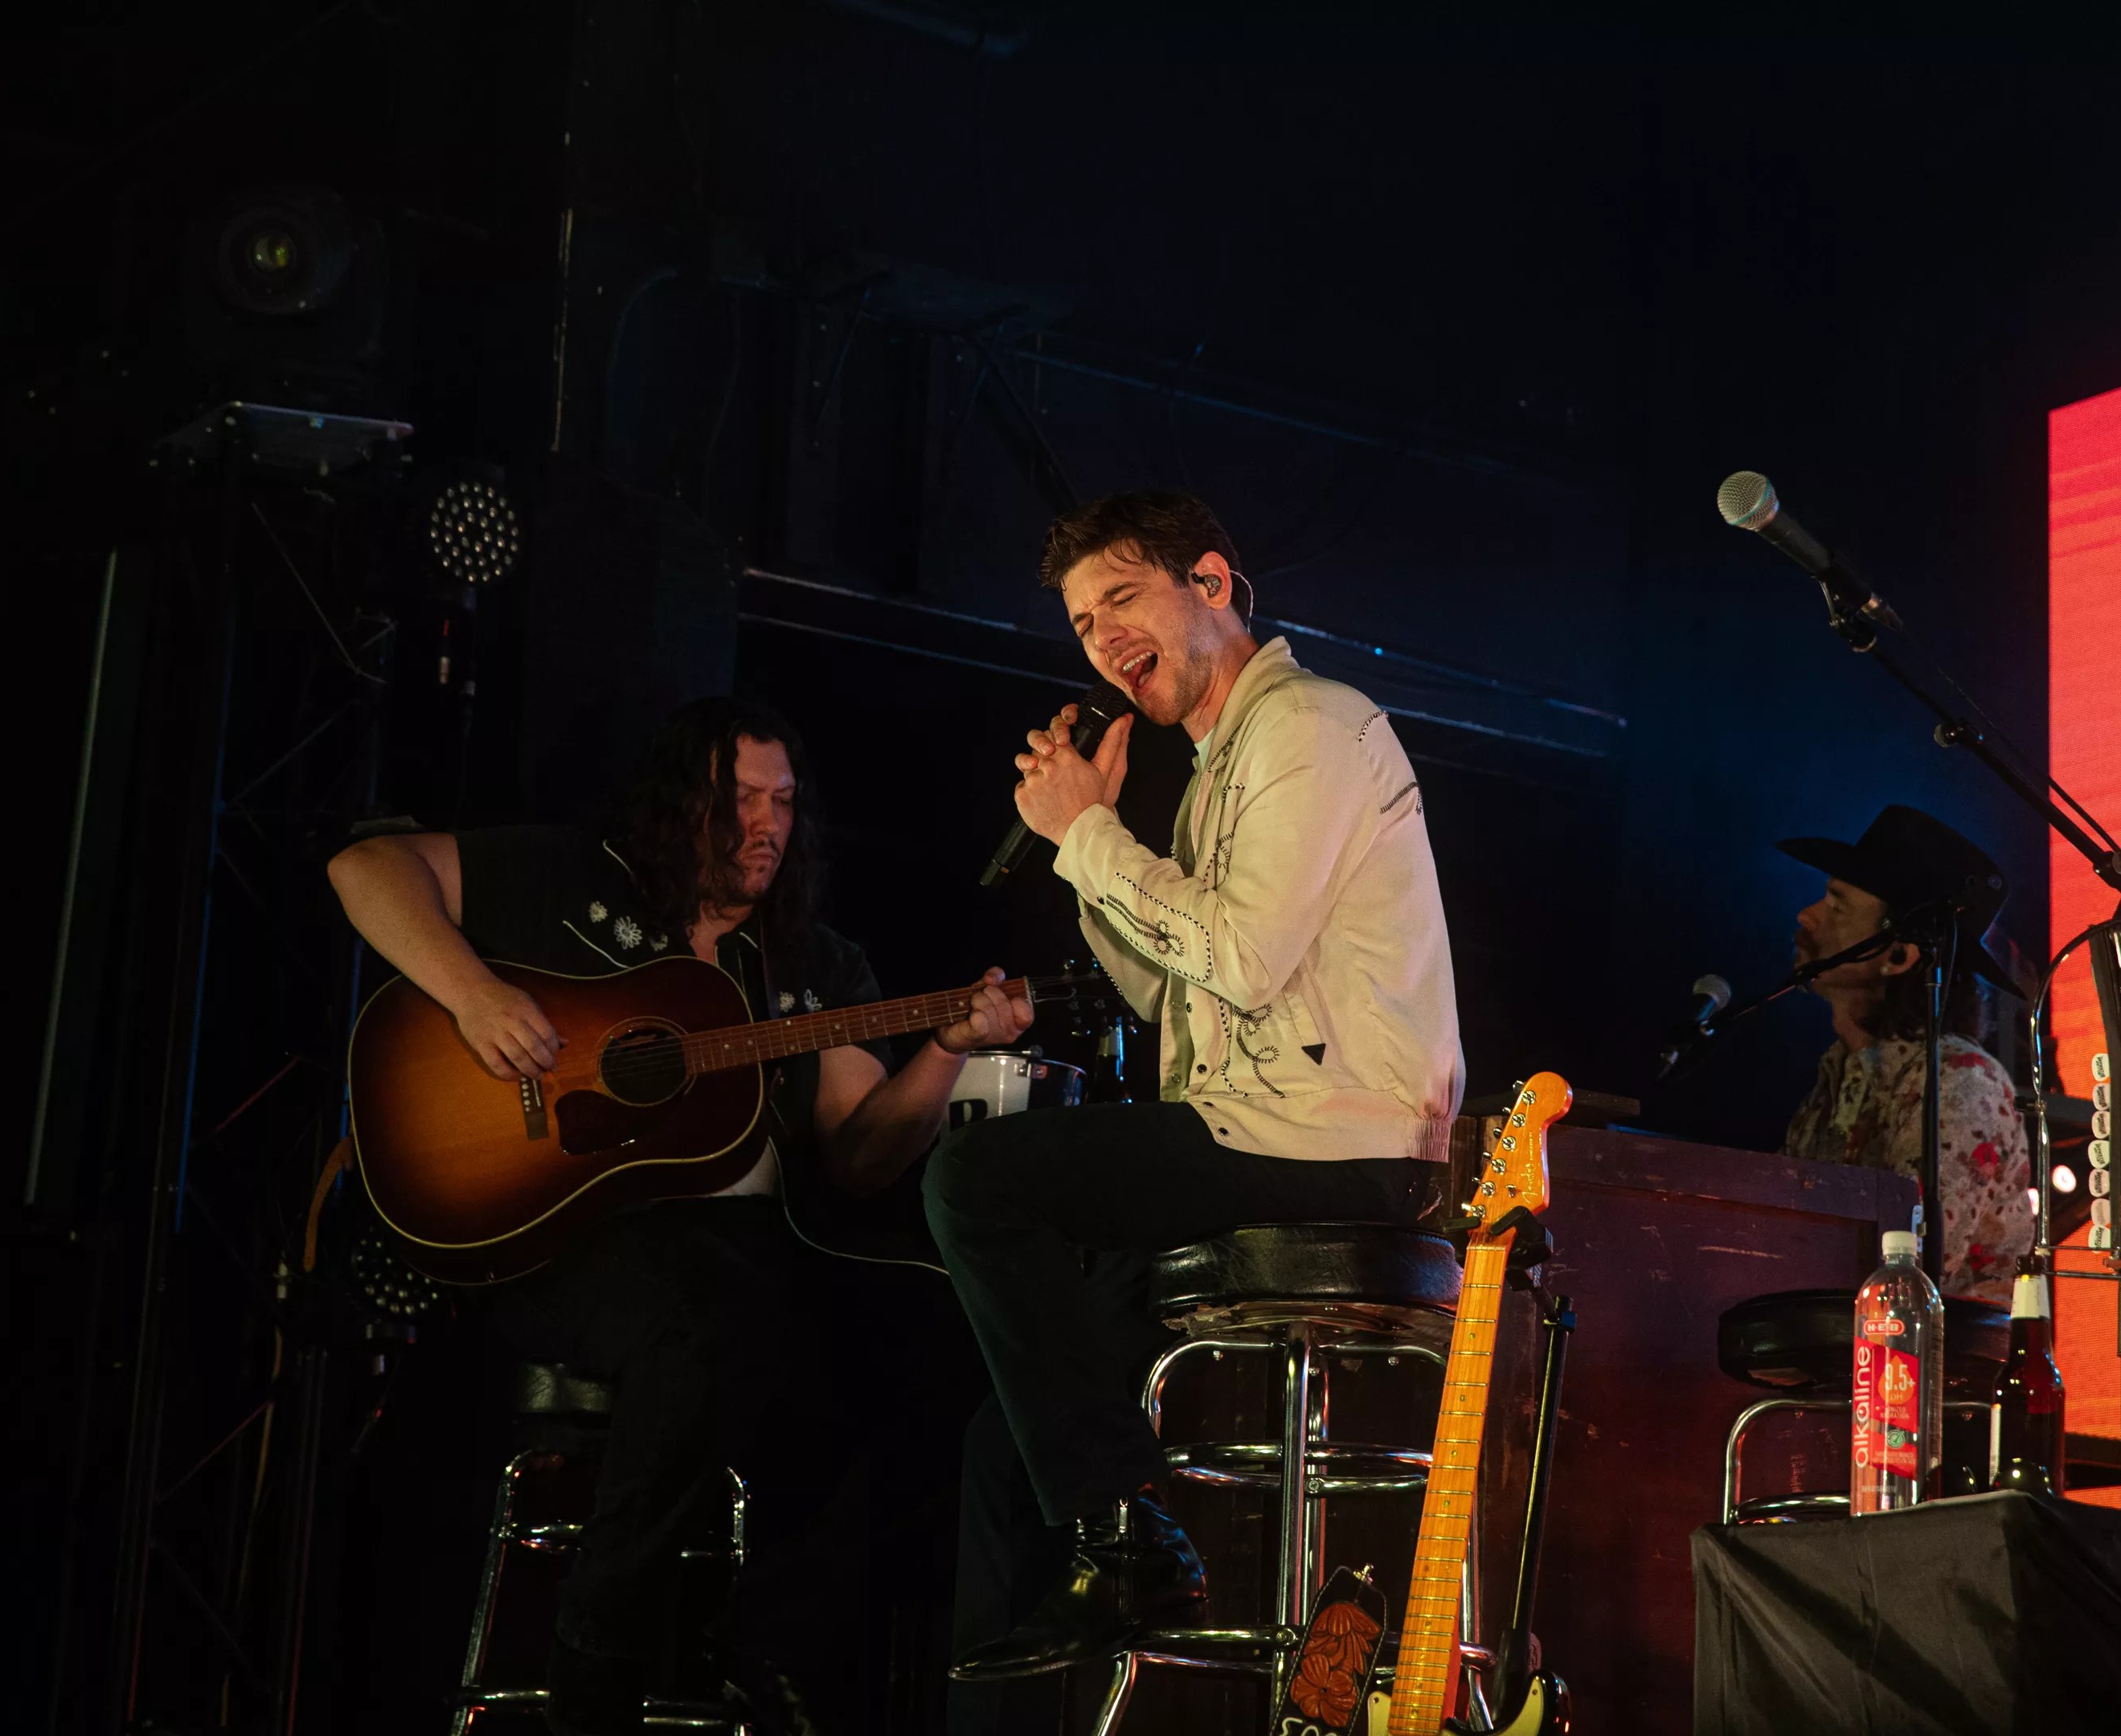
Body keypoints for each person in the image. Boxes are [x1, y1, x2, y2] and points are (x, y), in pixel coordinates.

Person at [326, 697, 1031, 1736]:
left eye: (782, 802)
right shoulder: (575, 878)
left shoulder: (813, 965)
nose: (765, 825)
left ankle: (778, 1630)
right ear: (677, 803)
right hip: (574, 1244)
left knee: (955, 1340)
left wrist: (945, 1048)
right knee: (707, 1315)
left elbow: (861, 1155)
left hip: (754, 1254)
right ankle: (595, 1667)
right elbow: (365, 870)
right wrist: (472, 993)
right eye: (738, 799)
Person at [923, 490, 1465, 1697]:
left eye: (1122, 598)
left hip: (1336, 1145)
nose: (1102, 638)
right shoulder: (1222, 766)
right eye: (1081, 623)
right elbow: (1168, 990)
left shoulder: (1310, 725)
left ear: (1210, 585)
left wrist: (1088, 838)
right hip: (1253, 1132)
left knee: (974, 1180)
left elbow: (1244, 958)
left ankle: (1129, 1539)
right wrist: (1091, 840)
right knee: (1009, 1437)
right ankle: (1078, 1598)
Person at [1779, 804, 2035, 1304]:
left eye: (1837, 905)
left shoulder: (1960, 1082)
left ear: (1898, 957)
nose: (1807, 915)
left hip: (1937, 1354)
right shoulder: (1837, 1074)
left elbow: (1910, 1272)